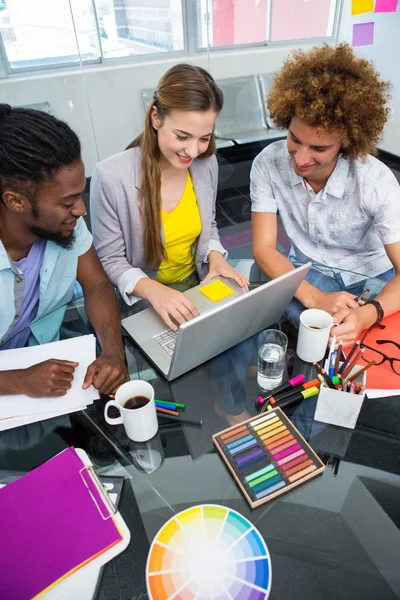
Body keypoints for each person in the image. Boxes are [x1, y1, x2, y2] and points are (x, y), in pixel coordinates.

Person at [251, 43, 400, 346]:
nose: (301, 158)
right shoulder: (268, 162)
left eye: (319, 148)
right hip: (307, 274)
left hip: (370, 276)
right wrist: (314, 297)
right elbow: (264, 249)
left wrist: (368, 314)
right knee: (279, 322)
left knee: (362, 344)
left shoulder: (375, 181)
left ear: (345, 143)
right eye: (294, 138)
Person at [90, 63, 248, 332]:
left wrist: (217, 259)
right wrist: (154, 291)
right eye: (182, 136)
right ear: (155, 118)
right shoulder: (111, 176)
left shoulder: (206, 164)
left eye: (204, 138)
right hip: (145, 296)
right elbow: (111, 261)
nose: (193, 151)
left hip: (198, 282)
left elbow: (208, 228)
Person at [0, 104, 129, 397]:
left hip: (49, 361)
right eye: (67, 202)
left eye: (80, 195)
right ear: (16, 202)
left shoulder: (64, 224)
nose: (81, 210)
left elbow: (96, 285)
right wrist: (17, 381)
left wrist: (112, 352)